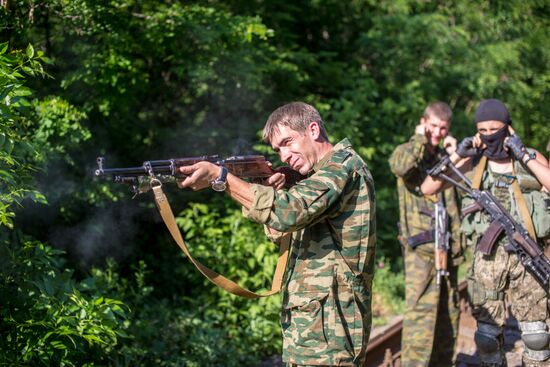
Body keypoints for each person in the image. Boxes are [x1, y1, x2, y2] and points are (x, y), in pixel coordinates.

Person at [178, 102, 377, 367]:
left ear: (314, 130)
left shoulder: (341, 168)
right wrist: (268, 186)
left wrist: (222, 178)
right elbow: (280, 229)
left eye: (288, 142)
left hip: (331, 330)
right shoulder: (316, 176)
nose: (284, 156)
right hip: (314, 329)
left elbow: (287, 213)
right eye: (277, 149)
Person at [421, 99, 550, 367]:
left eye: (496, 129)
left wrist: (522, 153)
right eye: (483, 130)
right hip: (487, 262)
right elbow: (428, 187)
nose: (490, 135)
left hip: (527, 258)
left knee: (537, 339)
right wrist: (458, 154)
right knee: (487, 338)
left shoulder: (529, 158)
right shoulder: (474, 162)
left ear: (509, 128)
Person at [388, 101, 463, 367]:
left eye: (443, 128)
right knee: (420, 319)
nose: (438, 133)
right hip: (421, 252)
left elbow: (464, 194)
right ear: (423, 123)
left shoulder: (444, 156)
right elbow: (400, 167)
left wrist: (454, 156)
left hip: (447, 250)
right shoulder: (409, 151)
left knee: (448, 317)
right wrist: (421, 138)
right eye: (433, 127)